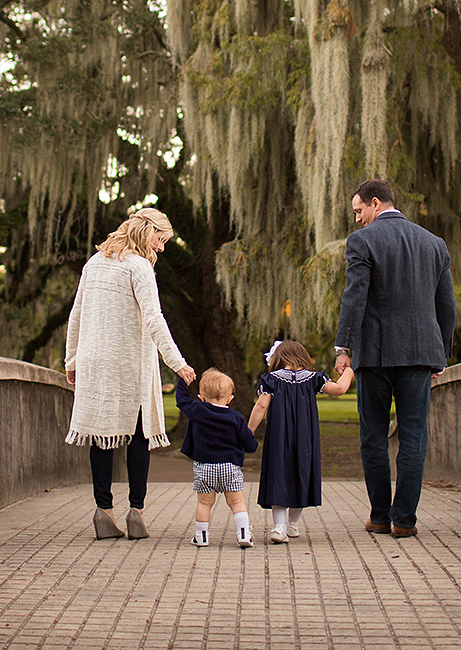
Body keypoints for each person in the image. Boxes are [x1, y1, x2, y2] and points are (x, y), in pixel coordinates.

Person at [333, 178, 456, 538]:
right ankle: (405, 521)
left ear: (375, 203)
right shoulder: (434, 244)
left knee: (373, 436)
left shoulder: (364, 241)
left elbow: (354, 297)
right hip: (420, 354)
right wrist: (441, 355)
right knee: (414, 437)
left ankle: (380, 516)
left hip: (376, 354)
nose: (357, 219)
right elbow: (446, 307)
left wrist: (344, 348)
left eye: (359, 211)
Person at [64, 207, 196, 540]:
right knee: (138, 434)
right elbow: (155, 319)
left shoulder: (93, 264)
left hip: (95, 363)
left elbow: (75, 316)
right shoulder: (138, 266)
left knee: (101, 434)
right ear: (146, 230)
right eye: (160, 239)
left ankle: (103, 511)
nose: (161, 247)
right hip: (128, 363)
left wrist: (72, 361)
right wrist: (177, 362)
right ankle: (136, 511)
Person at [247, 340, 354, 543]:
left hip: (279, 438)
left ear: (278, 358)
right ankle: (293, 524)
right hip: (306, 438)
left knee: (279, 475)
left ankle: (279, 527)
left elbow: (261, 406)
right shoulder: (314, 379)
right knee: (301, 474)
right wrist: (348, 371)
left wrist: (248, 432)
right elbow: (340, 389)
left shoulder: (270, 380)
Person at [174, 369, 259, 547]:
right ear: (230, 399)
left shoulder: (197, 410)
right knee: (237, 502)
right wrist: (252, 445)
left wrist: (183, 381)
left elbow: (182, 401)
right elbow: (249, 443)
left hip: (204, 467)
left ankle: (201, 536)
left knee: (204, 503)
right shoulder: (236, 418)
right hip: (230, 467)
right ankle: (244, 534)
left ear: (201, 397)